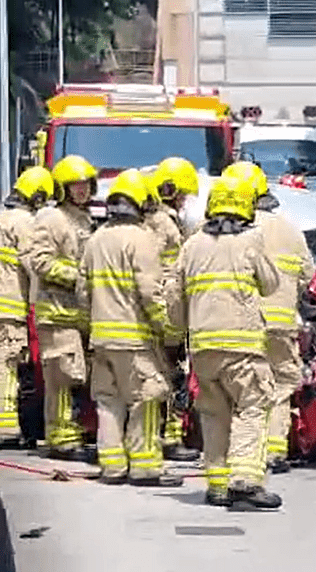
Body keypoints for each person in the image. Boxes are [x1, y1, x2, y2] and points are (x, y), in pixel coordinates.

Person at [167, 175, 281, 509]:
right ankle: (244, 481)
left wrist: (177, 332)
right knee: (251, 406)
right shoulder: (251, 240)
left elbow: (174, 296)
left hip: (203, 347)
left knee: (213, 414)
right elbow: (271, 284)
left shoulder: (192, 244)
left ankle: (217, 485)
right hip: (242, 345)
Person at [77, 169, 182, 487]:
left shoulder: (95, 239)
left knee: (108, 402)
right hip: (135, 339)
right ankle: (146, 466)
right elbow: (150, 292)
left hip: (102, 339)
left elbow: (83, 291)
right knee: (147, 399)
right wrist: (166, 328)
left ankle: (112, 466)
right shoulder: (142, 240)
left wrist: (89, 327)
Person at [222, 162, 314, 473]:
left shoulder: (232, 231)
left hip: (239, 325)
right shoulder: (289, 228)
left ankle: (241, 451)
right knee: (280, 385)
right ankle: (275, 450)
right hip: (281, 325)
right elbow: (307, 275)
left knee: (242, 390)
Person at [27, 155, 96, 461]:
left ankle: (73, 431)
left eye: (85, 184)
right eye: (74, 186)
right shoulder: (51, 219)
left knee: (78, 375)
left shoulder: (84, 218)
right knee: (62, 375)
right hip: (56, 312)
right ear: (62, 188)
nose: (81, 191)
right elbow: (39, 261)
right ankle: (61, 439)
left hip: (78, 314)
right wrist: (77, 277)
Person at [144, 157, 200, 462]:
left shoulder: (159, 220)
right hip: (167, 309)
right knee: (172, 374)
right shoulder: (164, 224)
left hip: (163, 306)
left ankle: (166, 436)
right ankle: (169, 438)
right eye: (182, 195)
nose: (184, 201)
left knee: (165, 373)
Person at [0, 167, 53, 446]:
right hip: (8, 308)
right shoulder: (25, 223)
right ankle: (5, 430)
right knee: (5, 366)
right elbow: (35, 266)